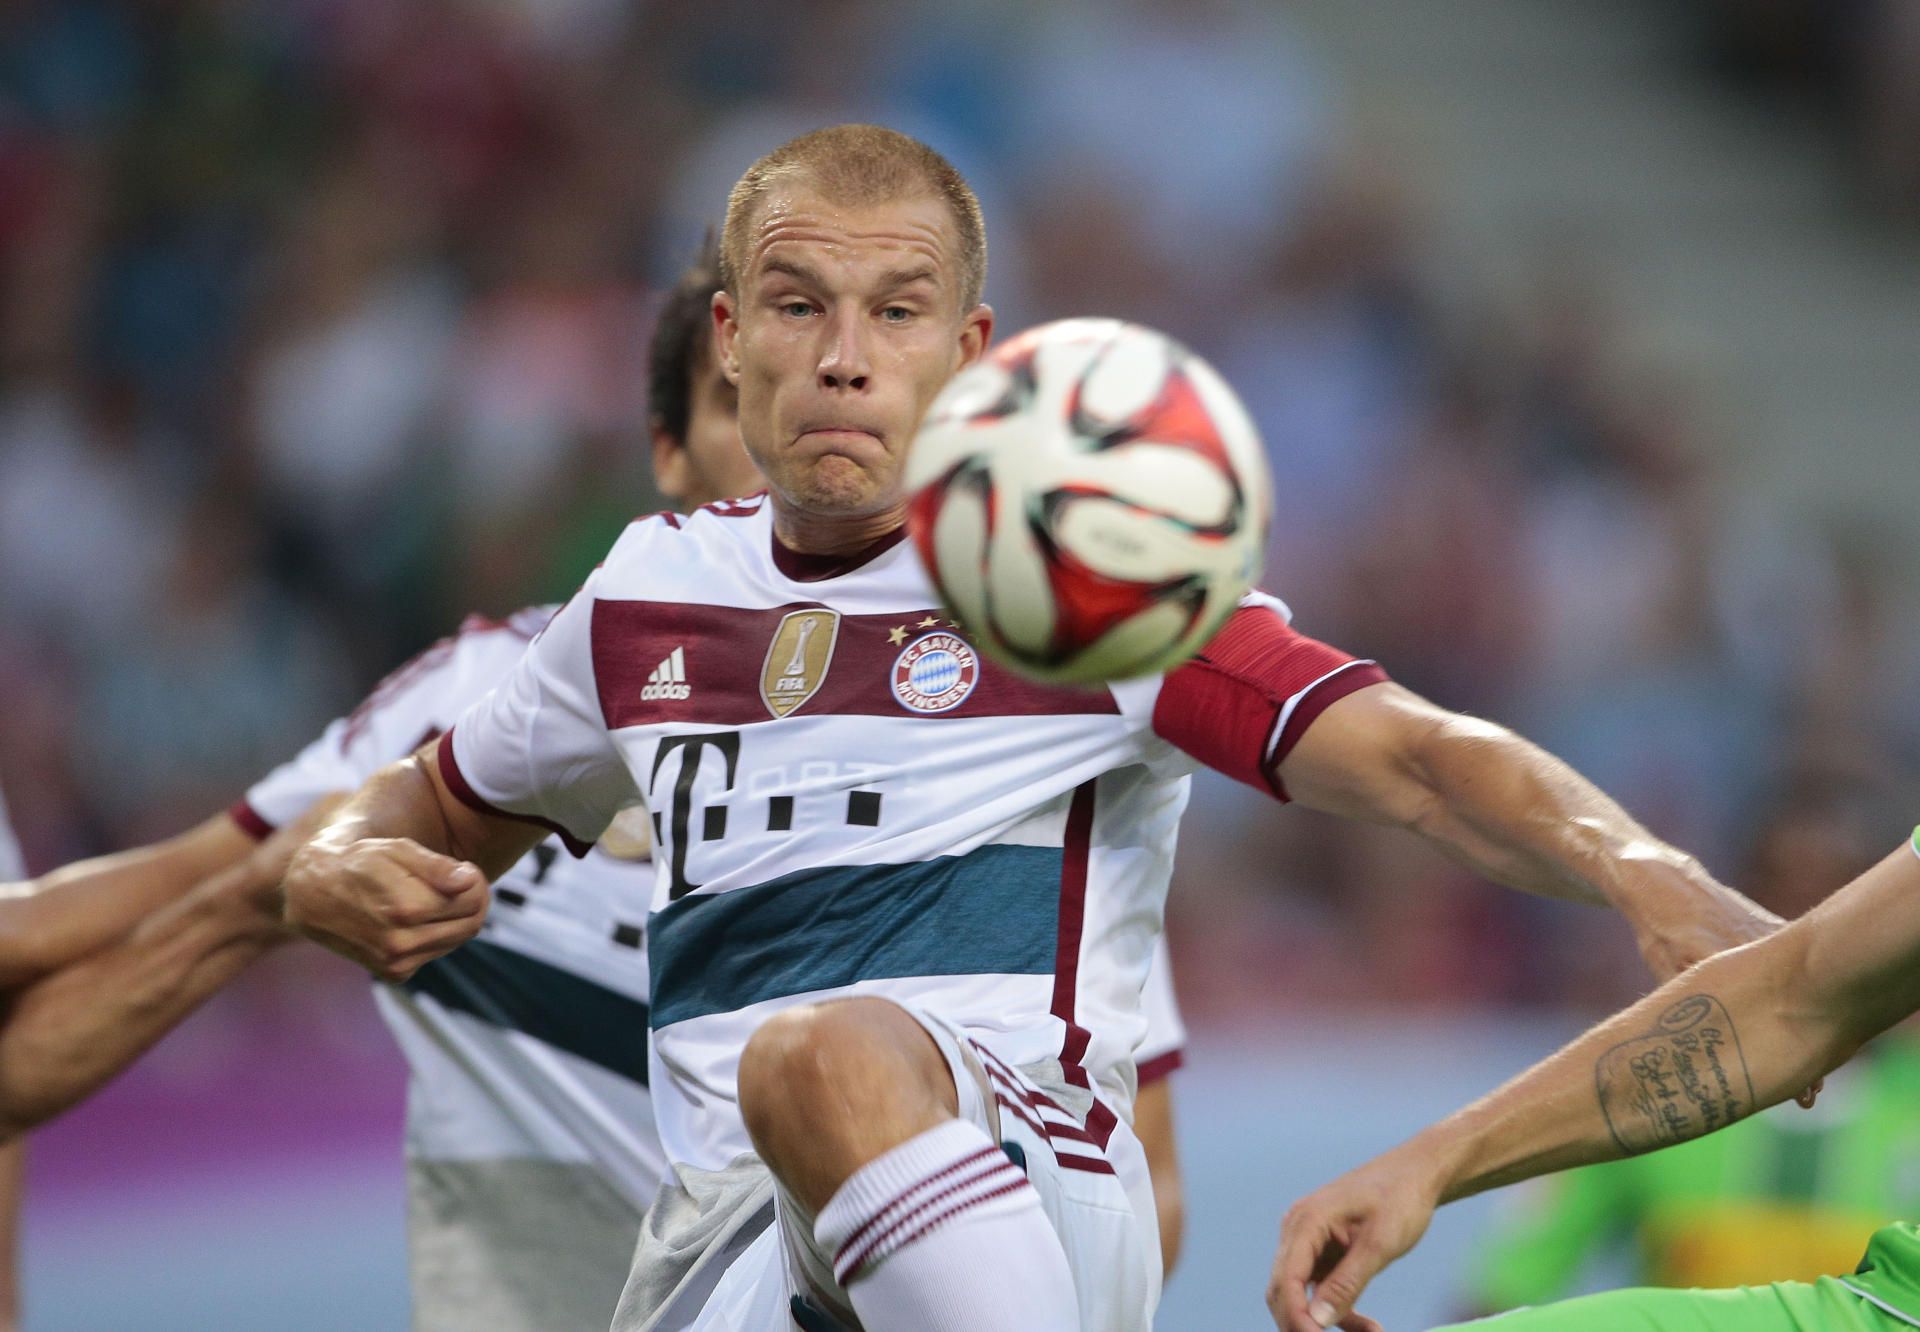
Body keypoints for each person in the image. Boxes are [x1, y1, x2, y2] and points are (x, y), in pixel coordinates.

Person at [282, 124, 1778, 1332]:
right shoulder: (646, 598)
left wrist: (1640, 869)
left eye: (897, 310)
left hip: (1028, 1188)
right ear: (731, 339)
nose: (845, 356)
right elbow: (422, 807)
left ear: (972, 348)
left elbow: (1416, 761)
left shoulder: (1068, 571)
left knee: (816, 1059)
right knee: (791, 1086)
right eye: (800, 307)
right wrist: (328, 868)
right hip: (726, 1245)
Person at [1270, 826, 1920, 1332]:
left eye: (1835, 894)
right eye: (1785, 896)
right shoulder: (1674, 1100)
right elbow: (1790, 998)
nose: (1796, 918)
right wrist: (1428, 1164)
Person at [1460, 783, 1920, 1314]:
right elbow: (1502, 1291)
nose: (1807, 929)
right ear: (1731, 902)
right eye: (1779, 896)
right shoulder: (1645, 1090)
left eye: (1844, 901)